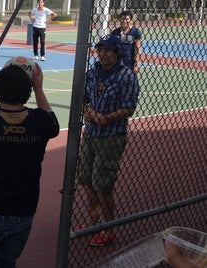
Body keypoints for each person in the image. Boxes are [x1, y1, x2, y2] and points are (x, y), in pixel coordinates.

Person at [0, 61, 59, 267]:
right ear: (29, 92)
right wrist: (39, 89)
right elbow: (52, 120)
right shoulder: (39, 122)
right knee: (6, 261)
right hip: (23, 210)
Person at [77, 34, 140, 247]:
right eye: (100, 49)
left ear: (117, 52)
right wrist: (90, 113)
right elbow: (84, 99)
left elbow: (129, 107)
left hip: (111, 137)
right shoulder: (93, 72)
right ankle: (93, 223)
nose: (103, 54)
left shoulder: (126, 76)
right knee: (88, 180)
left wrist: (108, 118)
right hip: (91, 133)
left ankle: (108, 229)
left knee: (103, 185)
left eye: (108, 50)